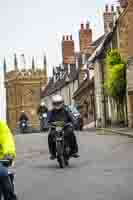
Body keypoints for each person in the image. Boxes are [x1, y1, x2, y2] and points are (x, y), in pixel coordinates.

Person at [48, 95, 79, 160]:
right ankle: (53, 153)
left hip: (65, 126)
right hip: (55, 127)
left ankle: (74, 151)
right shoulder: (51, 112)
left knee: (71, 133)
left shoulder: (66, 110)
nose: (57, 104)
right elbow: (48, 119)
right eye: (55, 103)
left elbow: (71, 117)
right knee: (50, 135)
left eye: (59, 103)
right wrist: (47, 124)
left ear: (62, 102)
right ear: (53, 104)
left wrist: (74, 122)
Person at [0, 120, 17, 200]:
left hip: (1, 158)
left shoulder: (1, 126)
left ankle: (10, 197)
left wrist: (9, 154)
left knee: (2, 172)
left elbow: (7, 140)